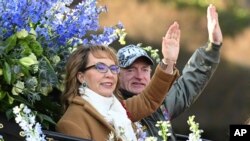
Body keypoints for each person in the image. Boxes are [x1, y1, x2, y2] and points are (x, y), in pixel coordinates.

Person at [117, 4, 223, 140]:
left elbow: (190, 82)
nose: (139, 76)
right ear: (116, 74)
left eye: (144, 69)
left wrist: (213, 46)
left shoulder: (161, 103)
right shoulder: (111, 108)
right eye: (130, 70)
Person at [56, 43, 180, 140]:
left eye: (113, 68)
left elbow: (149, 99)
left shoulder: (118, 108)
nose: (110, 74)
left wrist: (168, 61)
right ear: (81, 76)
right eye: (101, 67)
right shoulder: (71, 123)